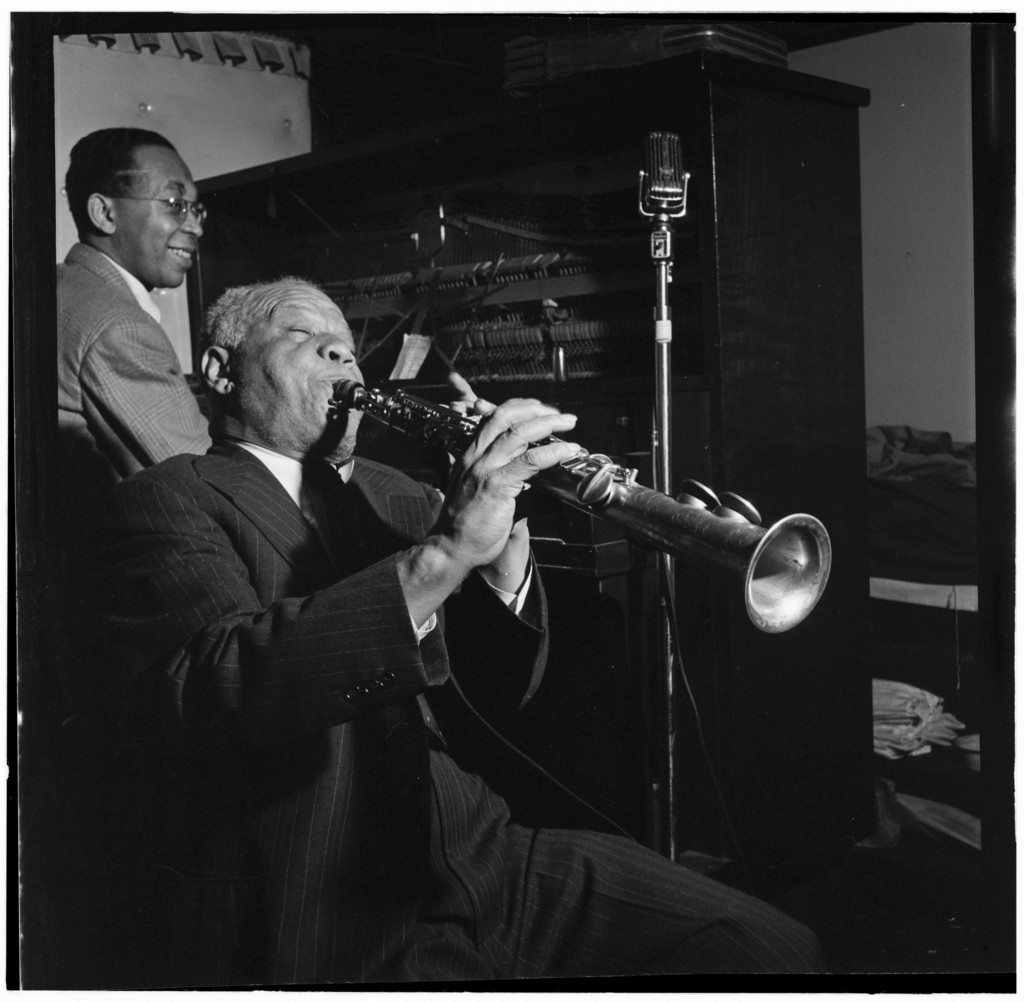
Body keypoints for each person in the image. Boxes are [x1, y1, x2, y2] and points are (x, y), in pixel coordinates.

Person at [80, 277, 824, 987]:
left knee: (774, 947)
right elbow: (227, 688)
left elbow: (492, 698)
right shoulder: (166, 501)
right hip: (328, 911)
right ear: (219, 369)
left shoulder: (395, 491)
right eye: (306, 336)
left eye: (348, 345)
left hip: (479, 859)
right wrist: (446, 552)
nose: (343, 356)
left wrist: (504, 547)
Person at [57, 127, 212, 545]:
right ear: (104, 213)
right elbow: (214, 489)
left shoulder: (62, 289)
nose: (194, 227)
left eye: (196, 208)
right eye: (175, 204)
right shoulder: (118, 326)